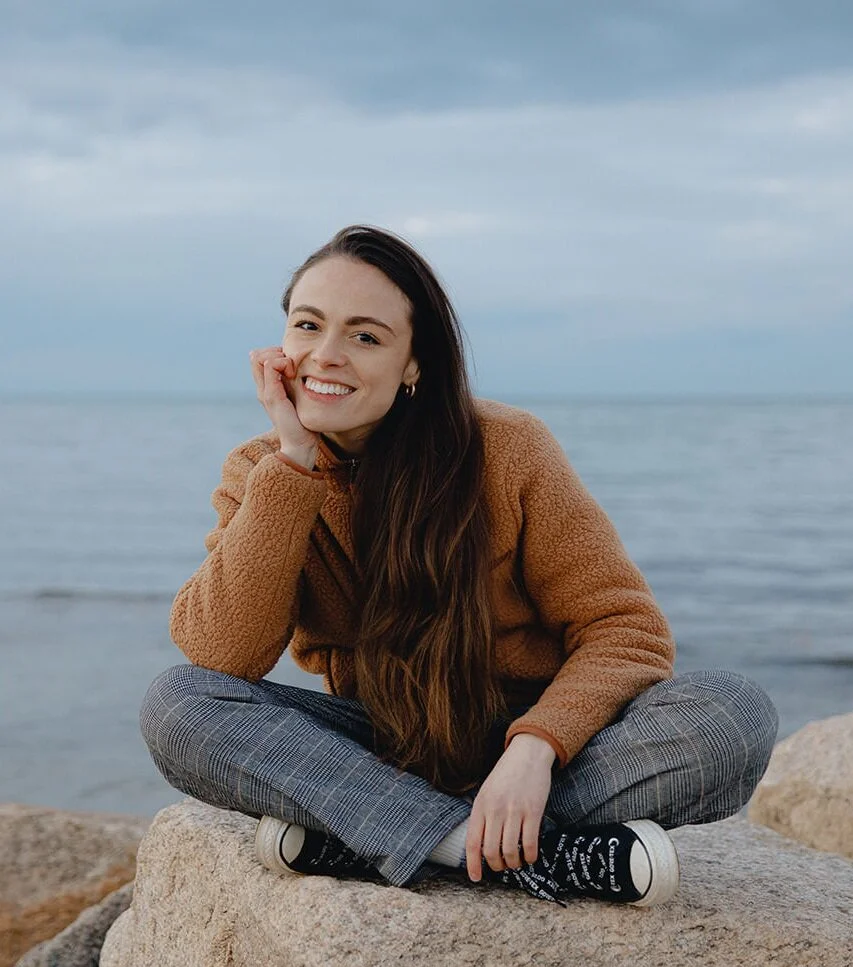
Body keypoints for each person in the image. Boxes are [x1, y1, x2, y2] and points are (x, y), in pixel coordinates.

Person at [140, 224, 778, 907]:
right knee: (178, 704)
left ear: (413, 362)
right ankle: (492, 847)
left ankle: (377, 837)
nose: (325, 356)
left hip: (540, 744)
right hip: (383, 749)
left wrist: (535, 750)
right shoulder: (262, 471)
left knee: (731, 712)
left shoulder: (508, 449)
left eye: (365, 336)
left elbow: (626, 631)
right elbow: (221, 653)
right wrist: (294, 462)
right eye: (307, 326)